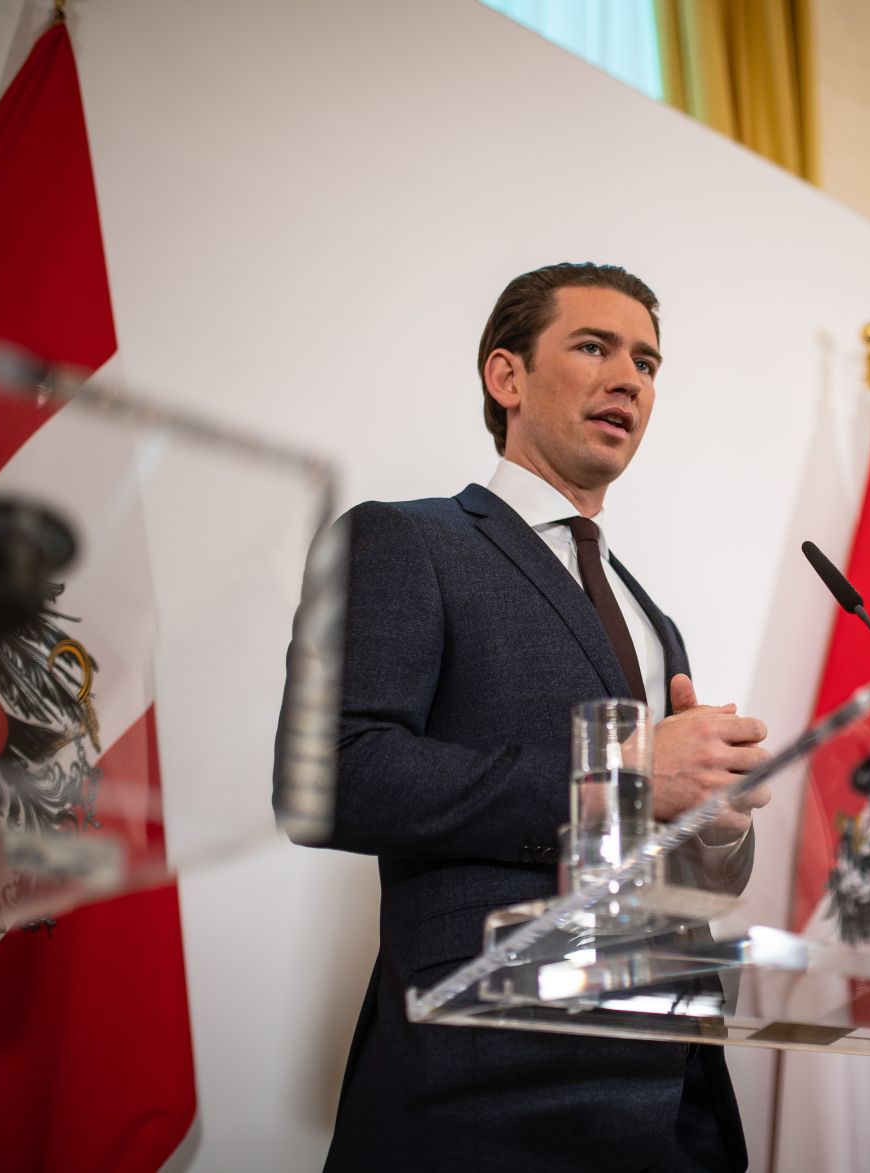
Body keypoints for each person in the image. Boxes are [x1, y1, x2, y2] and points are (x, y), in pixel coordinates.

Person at [292, 263, 770, 1171]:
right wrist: (623, 777)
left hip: (673, 1094)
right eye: (594, 347)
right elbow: (336, 772)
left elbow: (664, 851)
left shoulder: (652, 617)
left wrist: (715, 823)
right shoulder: (407, 539)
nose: (629, 378)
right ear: (506, 376)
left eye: (647, 363)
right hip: (483, 1087)